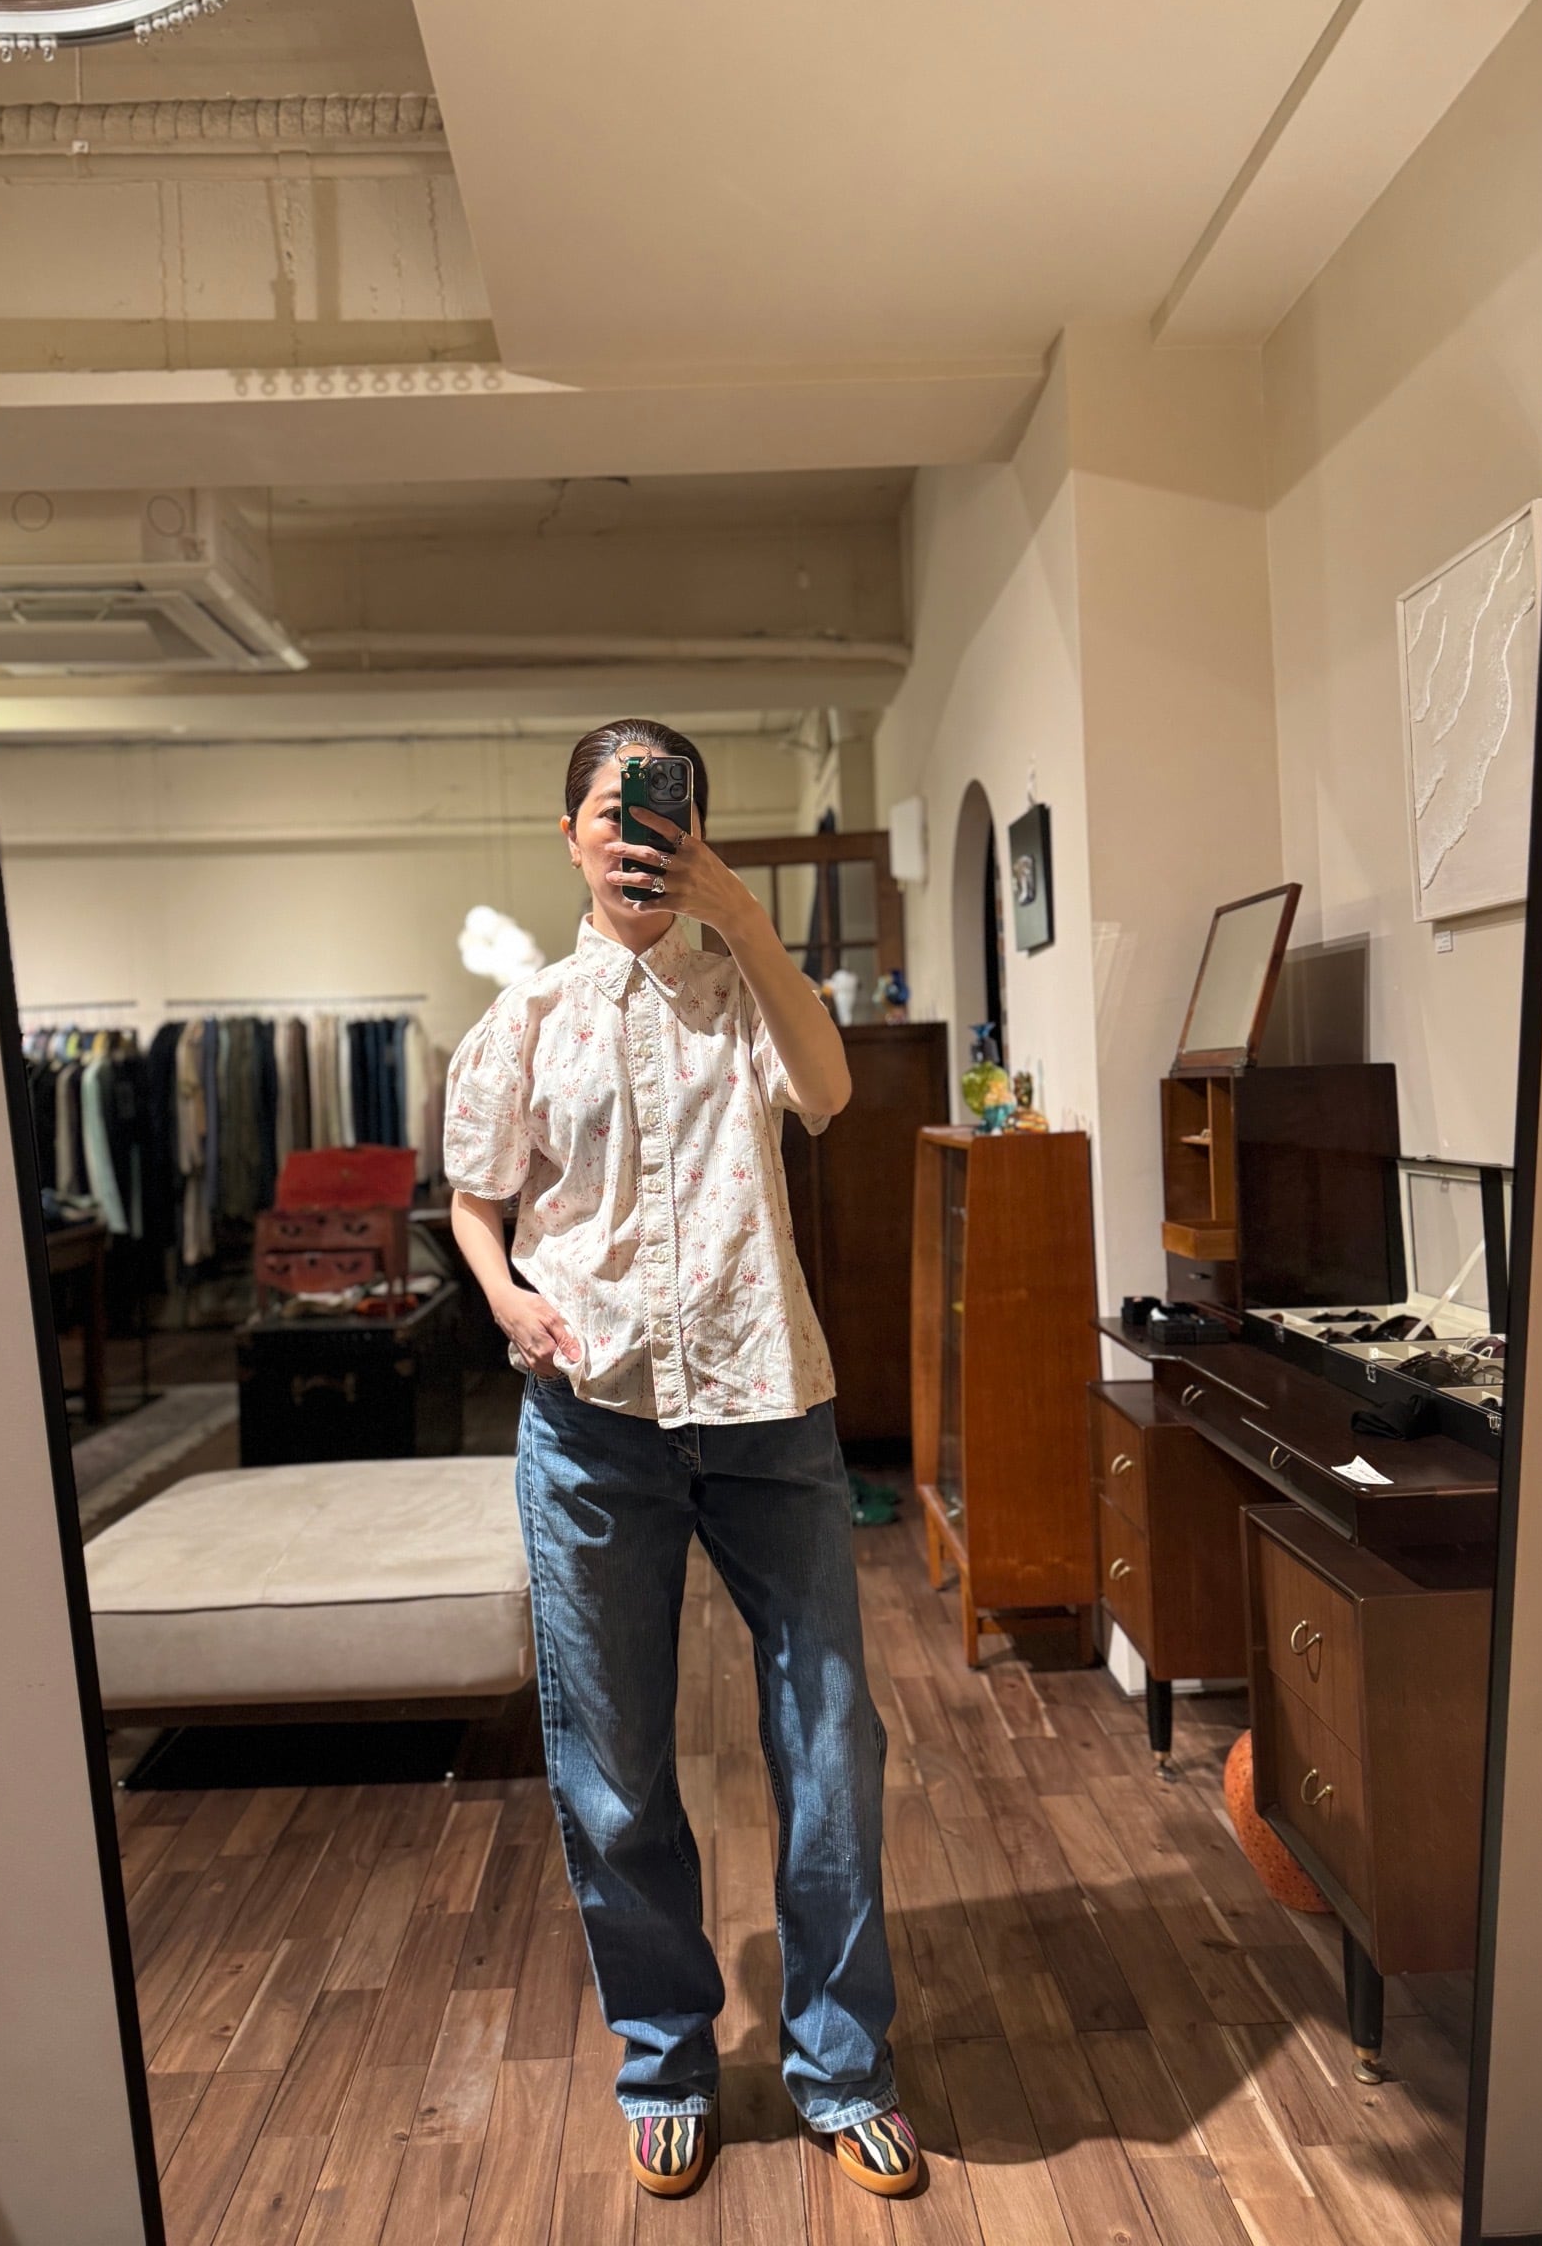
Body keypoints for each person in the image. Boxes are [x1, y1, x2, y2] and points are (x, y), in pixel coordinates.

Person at [444, 718, 921, 2201]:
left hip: (770, 1411)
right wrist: (506, 1295)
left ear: (697, 833)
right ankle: (665, 2060)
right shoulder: (525, 1019)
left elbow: (831, 1095)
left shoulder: (747, 995)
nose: (640, 838)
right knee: (614, 1766)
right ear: (571, 835)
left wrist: (748, 922)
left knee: (831, 1744)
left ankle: (844, 2067)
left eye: (668, 816)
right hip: (594, 1425)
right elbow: (477, 1197)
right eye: (614, 811)